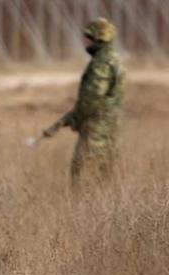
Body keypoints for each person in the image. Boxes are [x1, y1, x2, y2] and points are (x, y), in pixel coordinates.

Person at [42, 18, 125, 185]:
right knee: (104, 169)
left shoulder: (102, 63)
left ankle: (84, 206)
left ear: (99, 38)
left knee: (84, 169)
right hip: (107, 124)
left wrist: (76, 118)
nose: (84, 41)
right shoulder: (110, 59)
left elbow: (92, 98)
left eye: (88, 37)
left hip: (98, 125)